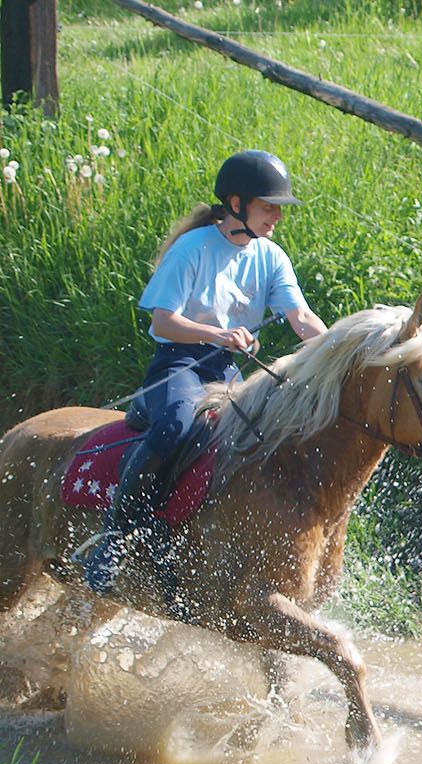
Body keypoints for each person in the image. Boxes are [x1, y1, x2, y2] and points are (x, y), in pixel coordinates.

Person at [76, 149, 328, 594]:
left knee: (260, 437)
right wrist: (218, 333)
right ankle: (114, 538)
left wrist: (337, 352)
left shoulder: (271, 257)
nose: (276, 216)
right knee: (176, 425)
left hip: (227, 369)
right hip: (178, 363)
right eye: (268, 206)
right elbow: (162, 322)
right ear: (236, 204)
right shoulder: (192, 249)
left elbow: (301, 318)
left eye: (278, 208)